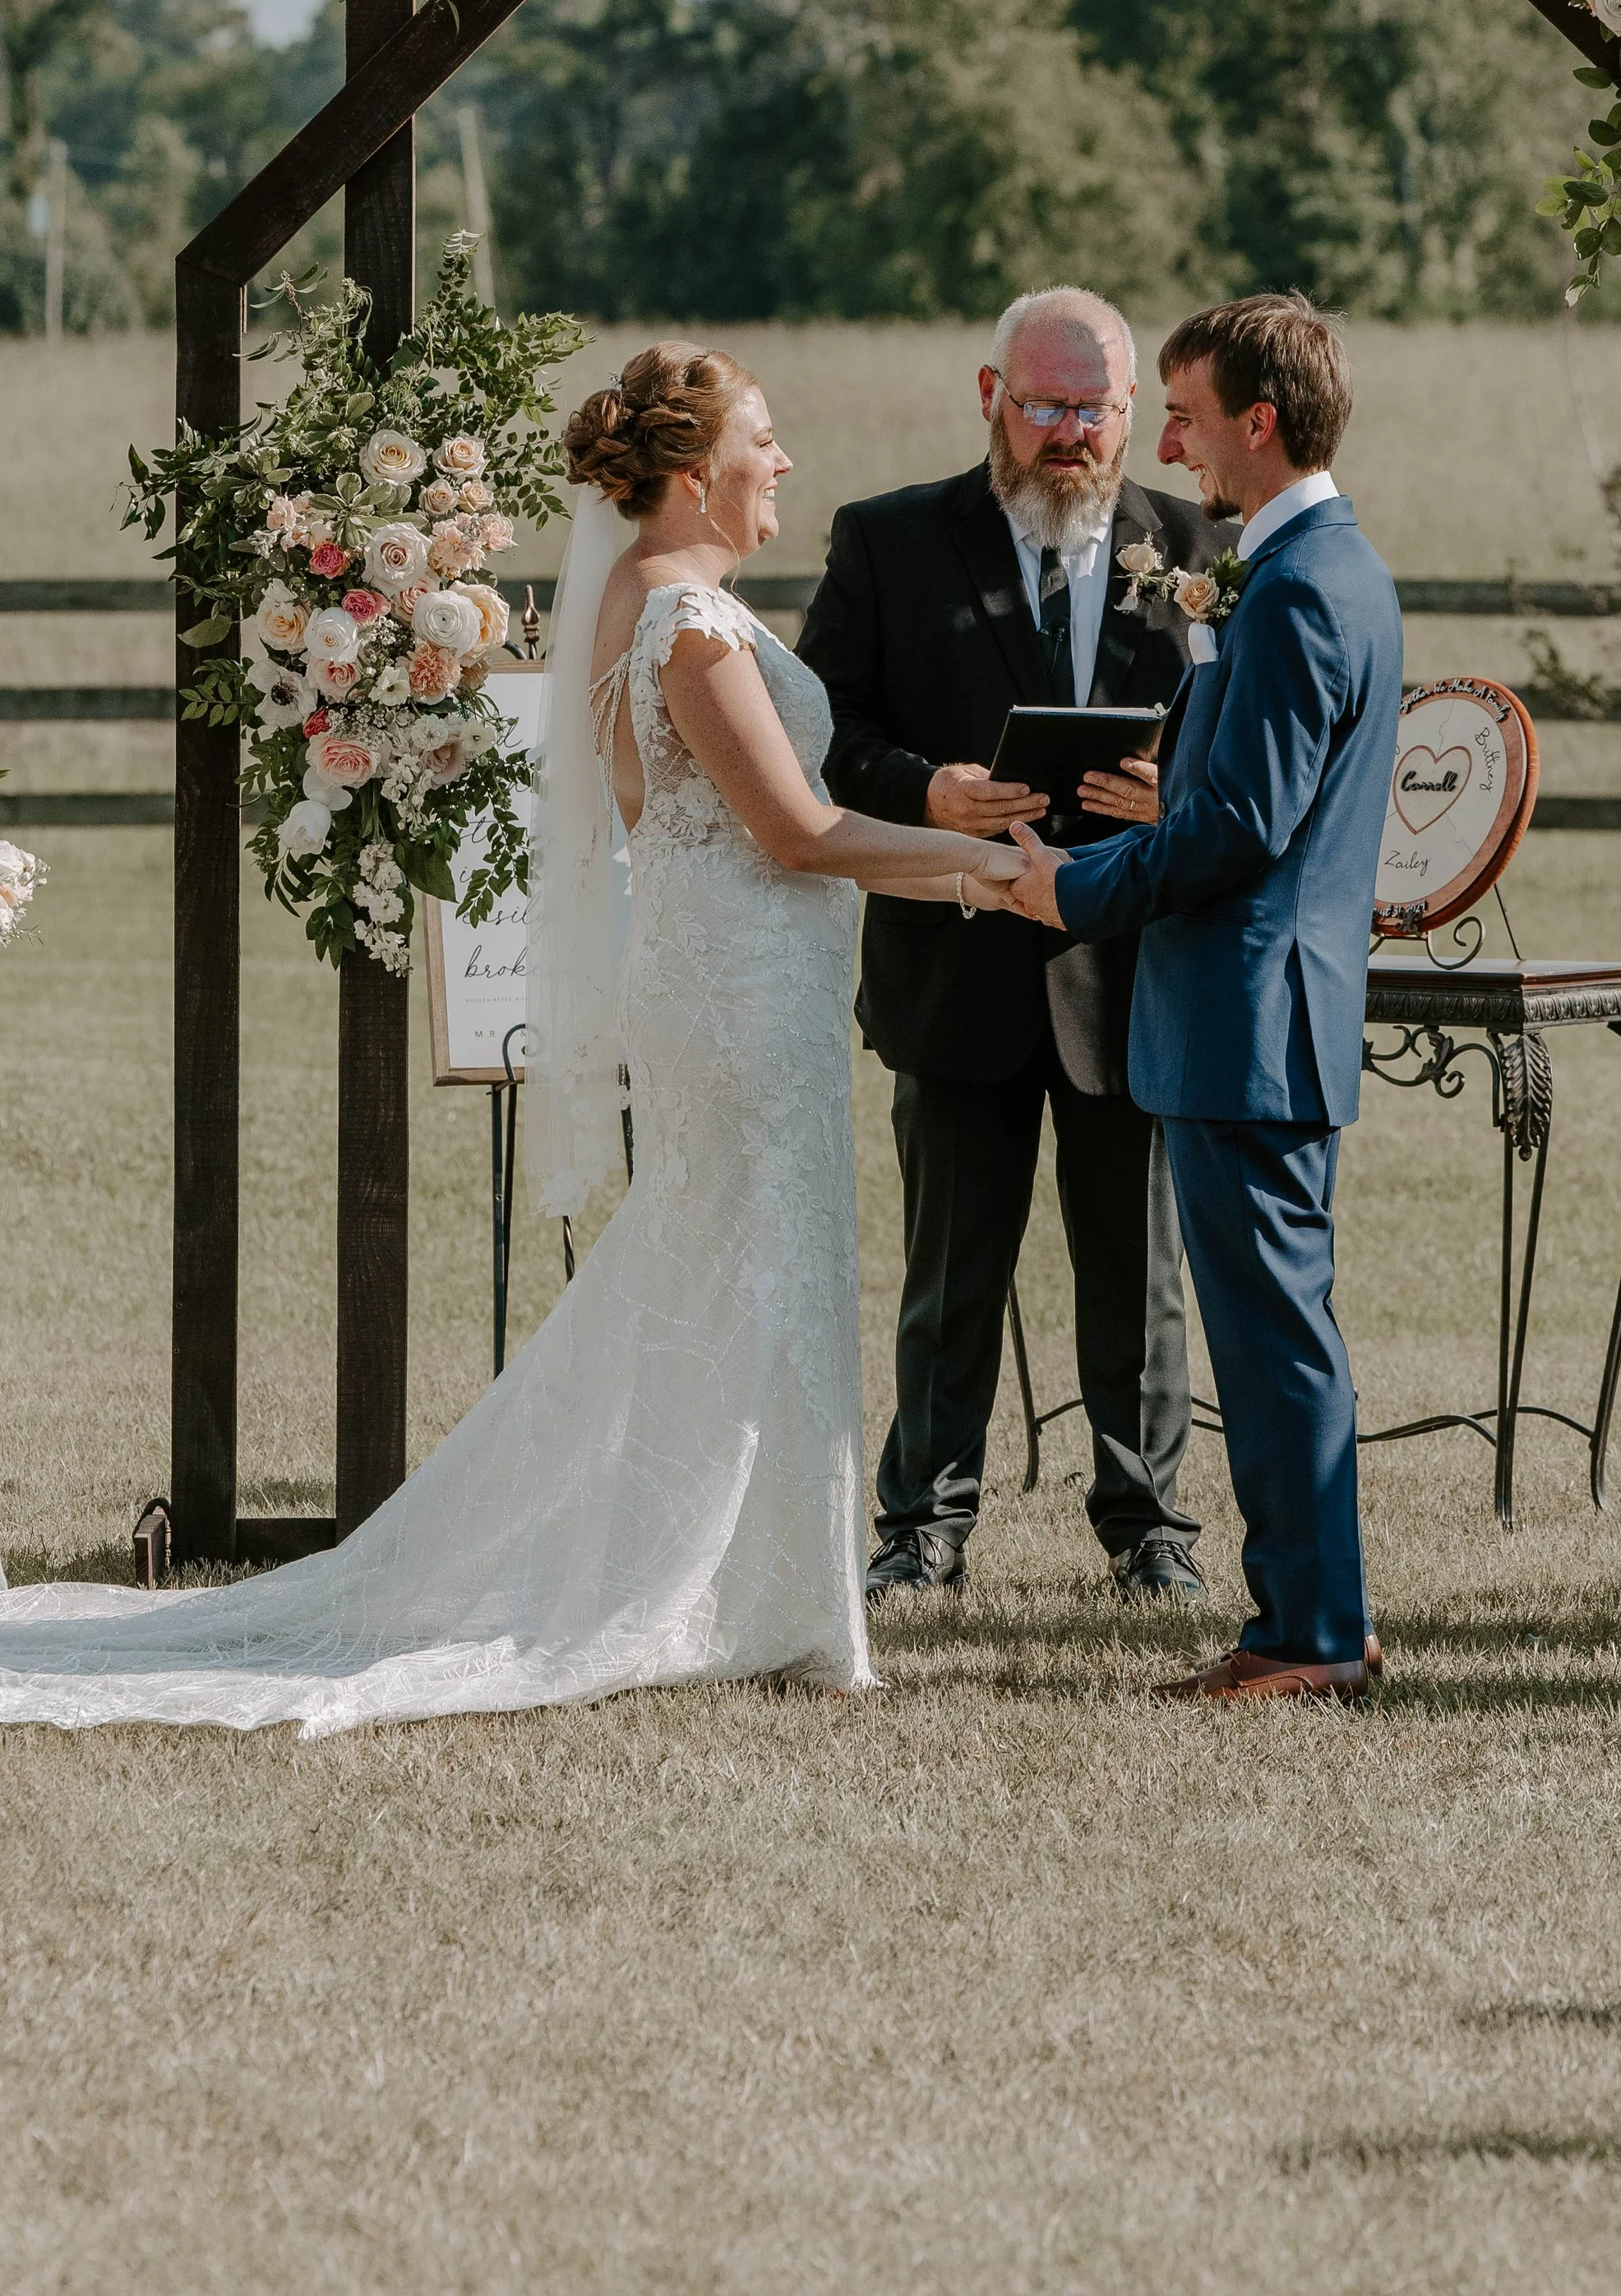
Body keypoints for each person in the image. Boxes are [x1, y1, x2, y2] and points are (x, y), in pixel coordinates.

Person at [0, 345, 1020, 1733]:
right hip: (731, 994)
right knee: (753, 1262)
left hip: (737, 985)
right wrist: (992, 874)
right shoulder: (684, 624)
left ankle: (762, 1580)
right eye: (762, 439)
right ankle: (743, 1589)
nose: (782, 461)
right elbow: (799, 832)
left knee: (733, 1268)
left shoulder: (668, 600)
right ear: (693, 465)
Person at [999, 294, 1403, 1706]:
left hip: (1252, 1013)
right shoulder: (1304, 568)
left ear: (1259, 422)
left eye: (1181, 414)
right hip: (1247, 1013)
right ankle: (1313, 1617)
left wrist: (1075, 887)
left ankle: (1306, 1636)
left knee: (1276, 1339)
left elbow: (1236, 829)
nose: (1163, 441)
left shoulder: (1298, 586)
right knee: (1276, 1330)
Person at [797, 287, 1221, 1601]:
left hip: (1131, 967)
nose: (1069, 433)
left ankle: (1150, 1526)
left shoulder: (1206, 542)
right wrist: (925, 789)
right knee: (949, 1270)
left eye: (1094, 408)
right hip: (954, 958)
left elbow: (1246, 747)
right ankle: (922, 1526)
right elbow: (822, 730)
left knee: (1140, 1274)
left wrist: (1176, 790)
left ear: (1132, 411)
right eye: (1043, 404)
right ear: (990, 395)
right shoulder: (889, 540)